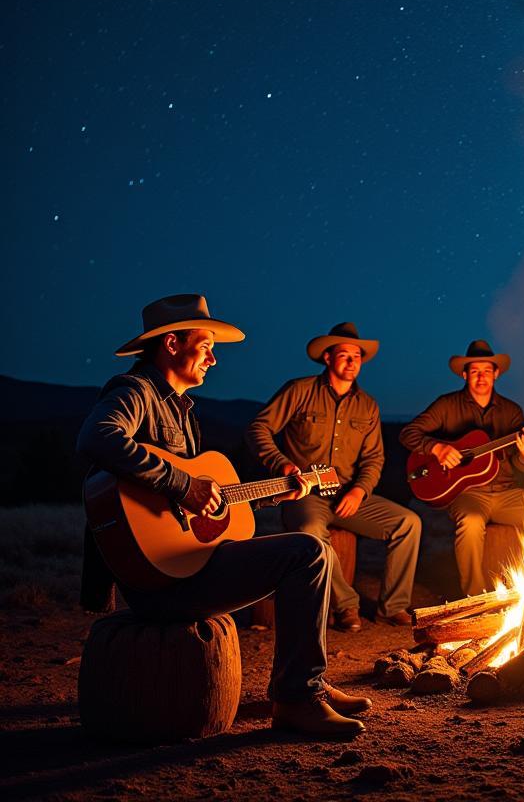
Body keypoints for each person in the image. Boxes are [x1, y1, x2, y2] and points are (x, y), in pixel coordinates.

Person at [77, 295, 370, 738]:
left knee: (314, 552)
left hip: (182, 564)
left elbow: (205, 504)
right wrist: (183, 484)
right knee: (308, 552)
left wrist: (283, 489)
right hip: (159, 583)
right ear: (172, 343)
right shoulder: (135, 391)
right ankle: (295, 699)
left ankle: (307, 682)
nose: (214, 358)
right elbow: (97, 439)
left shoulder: (181, 409)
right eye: (206, 345)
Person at [246, 322, 421, 632]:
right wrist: (281, 464)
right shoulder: (299, 390)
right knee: (311, 529)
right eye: (344, 355)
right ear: (327, 357)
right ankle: (346, 606)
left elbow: (373, 458)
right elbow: (259, 428)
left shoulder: (367, 405)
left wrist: (359, 492)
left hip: (347, 494)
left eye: (357, 356)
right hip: (305, 495)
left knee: (408, 523)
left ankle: (392, 607)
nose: (352, 362)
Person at [399, 340, 524, 597]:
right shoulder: (446, 405)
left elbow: (522, 466)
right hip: (469, 494)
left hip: (508, 492)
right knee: (471, 522)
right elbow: (408, 434)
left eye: (487, 371)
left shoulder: (511, 411)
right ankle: (474, 597)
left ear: (496, 374)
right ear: (465, 374)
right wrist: (436, 448)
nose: (481, 377)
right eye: (475, 371)